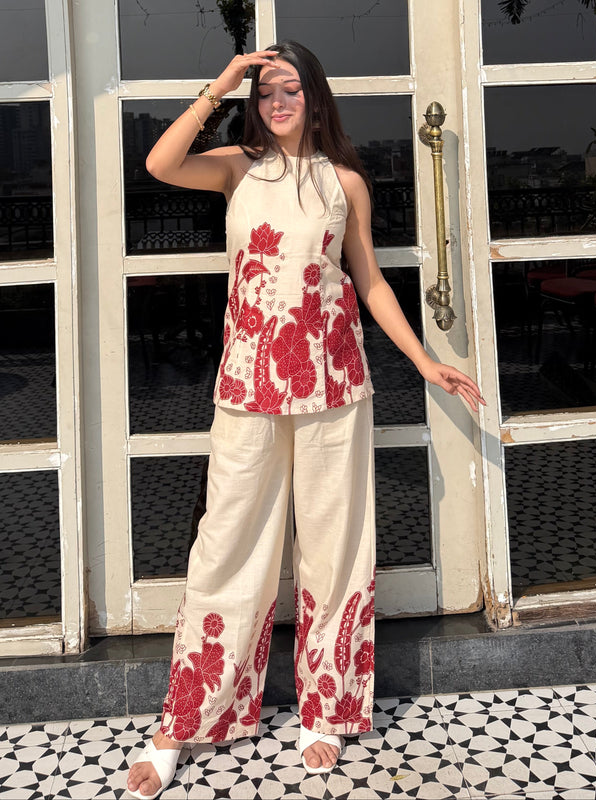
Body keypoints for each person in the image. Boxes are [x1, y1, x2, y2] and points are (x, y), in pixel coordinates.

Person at [126, 40, 485, 800]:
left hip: (334, 388)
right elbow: (159, 164)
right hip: (248, 387)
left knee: (334, 546)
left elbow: (371, 282)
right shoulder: (234, 167)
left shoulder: (344, 182)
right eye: (265, 93)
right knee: (226, 546)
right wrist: (219, 85)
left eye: (290, 90)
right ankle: (180, 721)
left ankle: (326, 708)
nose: (277, 102)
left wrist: (425, 364)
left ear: (315, 97)